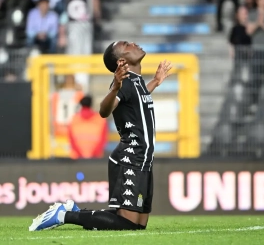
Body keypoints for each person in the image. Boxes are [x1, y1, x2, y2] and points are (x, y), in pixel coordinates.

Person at [28, 41, 172, 231]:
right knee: (127, 224)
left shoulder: (135, 82)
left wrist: (155, 81)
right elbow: (104, 111)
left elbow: (136, 96)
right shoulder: (123, 82)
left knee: (138, 225)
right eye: (126, 45)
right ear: (121, 61)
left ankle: (74, 210)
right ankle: (63, 215)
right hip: (130, 158)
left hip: (143, 159)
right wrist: (114, 88)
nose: (133, 44)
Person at [69, 95, 108, 159]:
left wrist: (80, 154)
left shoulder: (74, 119)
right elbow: (103, 139)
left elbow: (71, 140)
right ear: (91, 104)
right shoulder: (100, 119)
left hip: (77, 159)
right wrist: (94, 154)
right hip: (95, 159)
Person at [228, 6, 252, 84]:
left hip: (249, 56)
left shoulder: (251, 27)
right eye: (241, 13)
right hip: (239, 56)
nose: (244, 16)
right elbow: (231, 41)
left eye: (245, 13)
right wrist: (232, 51)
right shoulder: (235, 28)